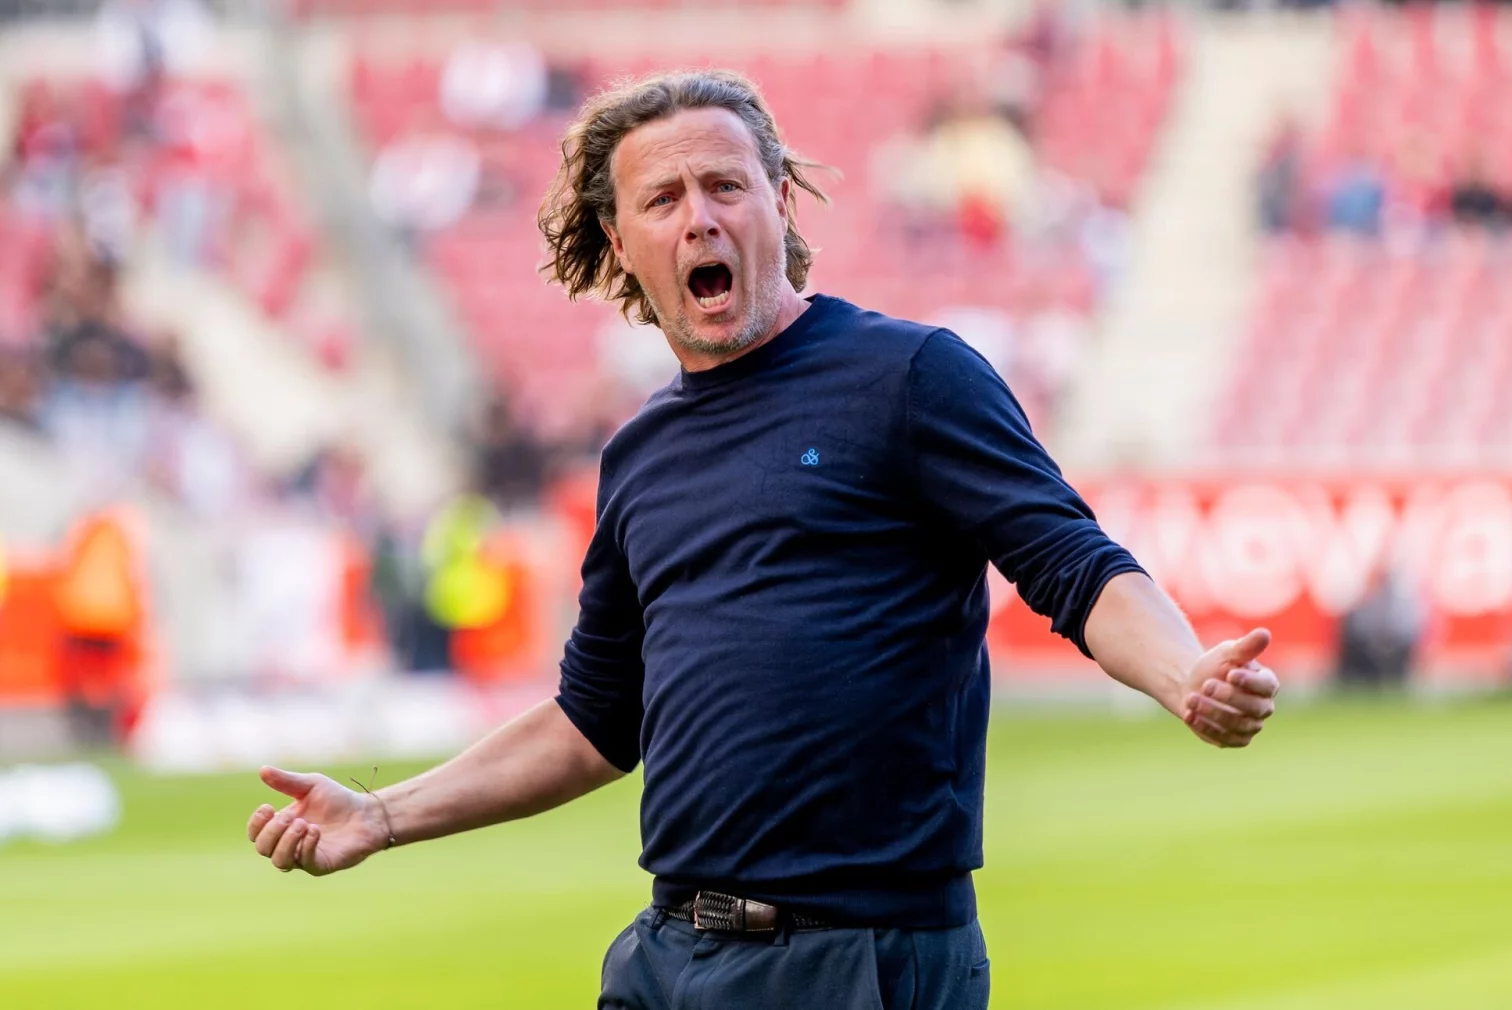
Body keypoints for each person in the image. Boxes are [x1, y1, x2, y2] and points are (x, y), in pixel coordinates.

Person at [245, 71, 1280, 1009]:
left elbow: (1074, 564)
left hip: (852, 959)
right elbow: (594, 722)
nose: (699, 216)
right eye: (662, 198)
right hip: (667, 953)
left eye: (725, 186)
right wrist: (383, 814)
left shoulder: (909, 376)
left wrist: (1182, 672)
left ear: (779, 204)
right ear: (619, 242)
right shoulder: (638, 456)